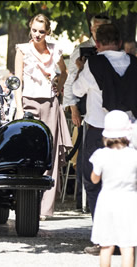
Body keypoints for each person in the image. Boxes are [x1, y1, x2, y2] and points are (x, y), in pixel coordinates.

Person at [72, 23, 137, 255]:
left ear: (97, 44)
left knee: (94, 182)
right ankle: (128, 238)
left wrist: (81, 69)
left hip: (100, 130)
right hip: (132, 131)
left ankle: (106, 239)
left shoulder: (93, 64)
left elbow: (77, 90)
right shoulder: (135, 63)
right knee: (131, 185)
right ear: (119, 42)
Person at [14, 14, 72, 220]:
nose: (37, 34)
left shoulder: (56, 50)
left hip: (50, 103)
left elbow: (64, 72)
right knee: (28, 153)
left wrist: (59, 83)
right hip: (28, 102)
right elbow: (17, 81)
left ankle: (45, 209)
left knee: (51, 153)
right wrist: (19, 109)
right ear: (30, 28)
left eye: (42, 31)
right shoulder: (22, 49)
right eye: (35, 30)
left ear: (48, 32)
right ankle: (26, 203)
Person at [63, 15, 111, 211]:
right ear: (92, 30)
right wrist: (73, 107)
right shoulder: (81, 51)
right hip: (88, 109)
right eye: (98, 28)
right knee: (86, 155)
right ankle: (83, 200)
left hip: (108, 112)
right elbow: (70, 82)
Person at [89, 110, 137, 267]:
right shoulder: (133, 156)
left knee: (106, 244)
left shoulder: (101, 155)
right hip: (129, 201)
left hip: (107, 201)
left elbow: (94, 179)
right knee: (128, 245)